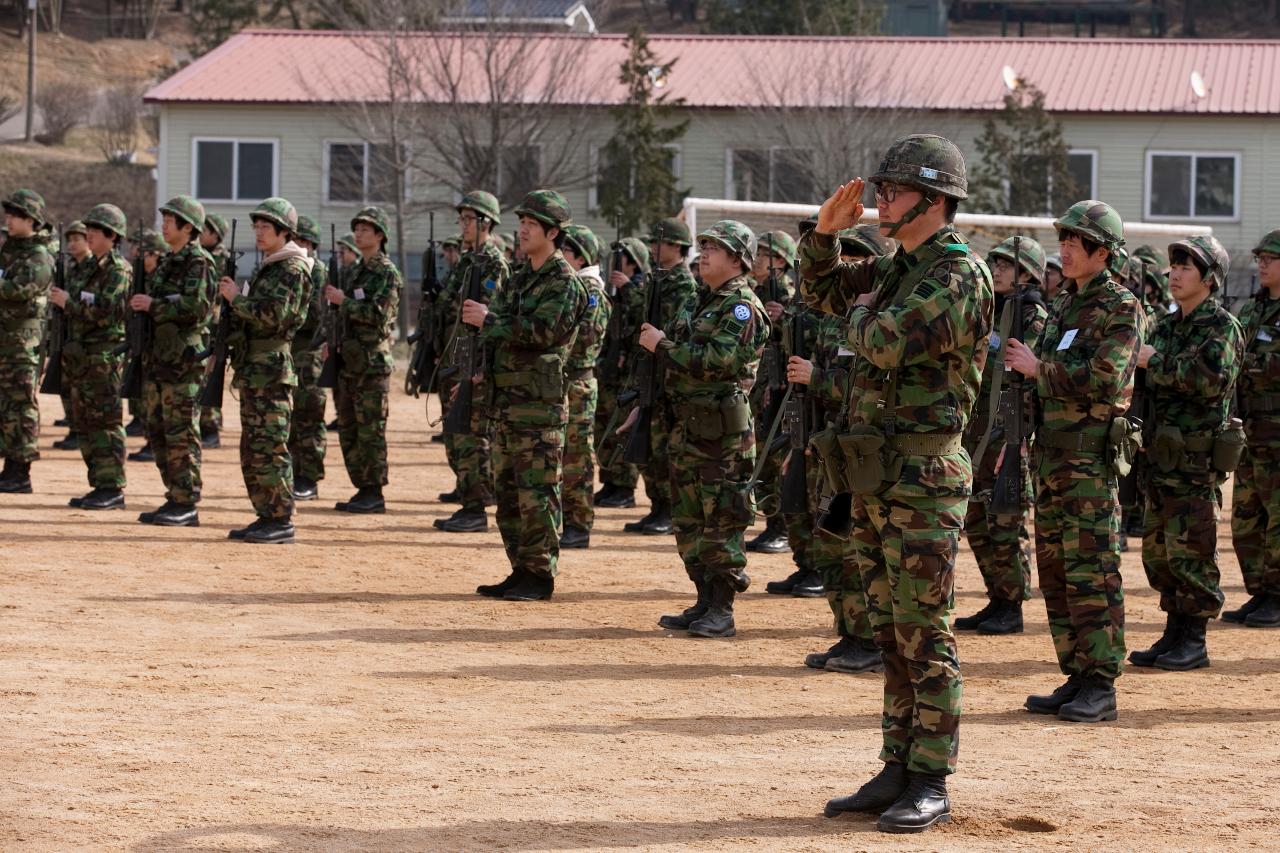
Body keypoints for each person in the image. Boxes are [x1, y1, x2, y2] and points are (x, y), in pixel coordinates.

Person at [803, 135, 992, 833]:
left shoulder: (957, 274)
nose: (880, 200)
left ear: (936, 201)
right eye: (881, 188)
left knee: (924, 630)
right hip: (880, 475)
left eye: (894, 190)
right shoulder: (898, 267)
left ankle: (931, 775)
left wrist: (856, 316)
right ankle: (896, 763)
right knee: (888, 629)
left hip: (925, 476)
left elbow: (880, 338)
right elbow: (820, 294)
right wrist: (824, 238)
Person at [1006, 200, 1141, 723]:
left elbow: (1107, 377)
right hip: (1053, 457)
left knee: (1092, 570)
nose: (1063, 248)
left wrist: (1040, 368)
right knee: (1057, 570)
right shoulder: (1064, 302)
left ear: (1101, 252)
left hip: (1088, 461)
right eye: (1062, 239)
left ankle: (1102, 682)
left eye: (1074, 241)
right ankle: (1077, 672)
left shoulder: (1121, 306)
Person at [466, 190, 588, 601]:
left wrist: (491, 320)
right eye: (521, 223)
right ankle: (519, 568)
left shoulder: (565, 282)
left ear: (553, 232)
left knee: (538, 493)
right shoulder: (520, 278)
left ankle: (540, 575)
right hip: (508, 402)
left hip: (539, 405)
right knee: (509, 492)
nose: (522, 231)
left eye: (531, 225)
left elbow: (544, 333)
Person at [647, 220, 767, 638]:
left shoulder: (741, 306)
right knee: (689, 520)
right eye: (703, 246)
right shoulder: (701, 302)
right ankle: (703, 599)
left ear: (737, 259)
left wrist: (662, 345)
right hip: (689, 429)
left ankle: (722, 607)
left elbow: (719, 361)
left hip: (722, 436)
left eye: (714, 248)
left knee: (722, 520)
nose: (704, 255)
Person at [1129, 235, 1242, 667]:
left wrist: (1152, 362)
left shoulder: (1222, 327)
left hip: (1195, 462)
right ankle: (1174, 631)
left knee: (1193, 548)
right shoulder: (1167, 324)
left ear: (1209, 279)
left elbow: (1210, 379)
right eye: (1173, 266)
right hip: (1161, 456)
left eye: (1186, 267)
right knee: (1160, 551)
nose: (1175, 274)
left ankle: (1194, 640)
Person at [796, 225, 892, 674]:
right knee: (831, 543)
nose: (849, 266)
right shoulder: (837, 318)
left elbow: (866, 386)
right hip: (835, 444)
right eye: (844, 257)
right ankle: (848, 632)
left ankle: (867, 639)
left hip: (865, 450)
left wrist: (816, 377)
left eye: (857, 258)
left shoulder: (882, 318)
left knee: (859, 552)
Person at [956, 236, 1048, 635]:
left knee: (1005, 523)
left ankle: (1011, 604)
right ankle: (996, 597)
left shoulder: (1033, 317)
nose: (996, 271)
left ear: (1027, 273)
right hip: (978, 432)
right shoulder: (990, 310)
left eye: (1005, 265)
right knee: (976, 519)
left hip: (1007, 433)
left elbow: (1031, 385)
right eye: (993, 264)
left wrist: (1018, 439)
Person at [220, 198, 312, 544]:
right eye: (256, 227)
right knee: (254, 446)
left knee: (270, 446)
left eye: (265, 227)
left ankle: (281, 517)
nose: (258, 233)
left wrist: (236, 300)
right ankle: (266, 513)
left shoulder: (292, 269)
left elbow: (276, 316)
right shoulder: (270, 266)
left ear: (283, 232)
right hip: (256, 369)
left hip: (272, 371)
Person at [132, 196, 217, 526]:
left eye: (171, 220)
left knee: (181, 433)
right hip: (158, 359)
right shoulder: (168, 262)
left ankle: (187, 502)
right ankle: (174, 495)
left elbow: (197, 308)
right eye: (164, 219)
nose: (164, 225)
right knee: (158, 431)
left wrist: (153, 305)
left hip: (182, 362)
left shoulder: (200, 264)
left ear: (188, 228)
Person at [434, 191, 508, 532]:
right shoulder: (467, 260)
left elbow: (491, 316)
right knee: (456, 432)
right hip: (456, 356)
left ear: (487, 223)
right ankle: (468, 497)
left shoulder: (494, 263)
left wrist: (481, 367)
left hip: (475, 360)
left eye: (470, 219)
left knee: (473, 433)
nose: (463, 225)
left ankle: (476, 507)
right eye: (461, 219)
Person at [622, 218, 700, 537]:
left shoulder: (685, 287)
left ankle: (668, 509)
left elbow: (678, 331)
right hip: (648, 368)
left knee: (662, 444)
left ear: (677, 247)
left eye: (659, 243)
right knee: (647, 441)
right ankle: (656, 505)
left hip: (668, 370)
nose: (653, 248)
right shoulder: (657, 281)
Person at [54, 204, 131, 510]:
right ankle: (99, 483)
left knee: (106, 423)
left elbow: (109, 310)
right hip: (81, 357)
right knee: (84, 423)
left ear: (112, 236)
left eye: (96, 231)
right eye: (89, 230)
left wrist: (69, 304)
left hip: (103, 357)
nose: (89, 234)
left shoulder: (118, 270)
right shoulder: (85, 267)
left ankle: (112, 486)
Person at [326, 206, 401, 514]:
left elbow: (380, 317)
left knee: (370, 431)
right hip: (349, 361)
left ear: (380, 236)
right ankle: (361, 486)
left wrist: (344, 303)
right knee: (348, 428)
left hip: (372, 364)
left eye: (365, 230)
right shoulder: (354, 270)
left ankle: (374, 491)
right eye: (356, 229)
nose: (358, 234)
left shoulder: (386, 272)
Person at [1227, 228, 1280, 627]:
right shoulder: (1251, 311)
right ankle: (1259, 591)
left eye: (1269, 259)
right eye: (1259, 258)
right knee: (1247, 518)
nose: (1261, 264)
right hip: (1251, 432)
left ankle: (1277, 596)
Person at [746, 230, 798, 556]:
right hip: (762, 388)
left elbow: (796, 340)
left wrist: (784, 318)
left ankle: (781, 527)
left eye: (763, 254)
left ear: (779, 261)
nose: (756, 260)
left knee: (777, 460)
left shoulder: (789, 296)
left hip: (781, 392)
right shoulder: (757, 292)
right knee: (762, 461)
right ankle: (770, 523)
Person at [559, 223, 610, 549]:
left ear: (577, 257)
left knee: (576, 457)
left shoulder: (590, 292)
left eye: (564, 251)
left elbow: (584, 341)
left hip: (576, 383)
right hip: (565, 382)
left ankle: (578, 524)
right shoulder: (576, 287)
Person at [0, 189, 53, 495]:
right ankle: (9, 466)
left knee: (21, 407)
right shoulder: (11, 250)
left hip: (22, 345)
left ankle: (21, 471)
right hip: (6, 342)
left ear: (30, 219)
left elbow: (20, 288)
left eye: (14, 215)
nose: (8, 219)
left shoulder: (38, 255)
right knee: (5, 407)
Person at [594, 237, 651, 510]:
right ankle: (610, 481)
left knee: (622, 429)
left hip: (629, 374)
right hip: (610, 371)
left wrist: (628, 289)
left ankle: (625, 486)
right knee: (604, 425)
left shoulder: (640, 290)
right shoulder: (612, 292)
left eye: (622, 259)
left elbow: (644, 317)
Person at [287, 214, 328, 501]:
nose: (298, 245)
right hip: (289, 353)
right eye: (294, 240)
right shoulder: (286, 267)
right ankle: (292, 472)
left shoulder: (317, 271)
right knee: (289, 418)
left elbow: (314, 316)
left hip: (308, 353)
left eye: (302, 241)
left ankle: (308, 476)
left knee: (309, 417)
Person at [125, 229, 169, 463]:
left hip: (161, 349)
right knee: (145, 399)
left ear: (156, 254)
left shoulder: (161, 278)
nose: (137, 257)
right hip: (144, 347)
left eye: (144, 253)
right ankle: (149, 441)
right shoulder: (143, 278)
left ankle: (154, 445)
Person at [52, 219, 92, 452]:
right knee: (68, 386)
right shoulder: (73, 269)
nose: (73, 243)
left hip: (87, 339)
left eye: (77, 239)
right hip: (71, 336)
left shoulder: (91, 267)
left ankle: (79, 430)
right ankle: (73, 427)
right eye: (70, 239)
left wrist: (67, 303)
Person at [197, 212, 230, 449]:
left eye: (204, 230)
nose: (200, 234)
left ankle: (211, 426)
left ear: (215, 234)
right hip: (206, 320)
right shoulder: (202, 257)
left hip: (216, 324)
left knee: (211, 374)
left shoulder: (222, 259)